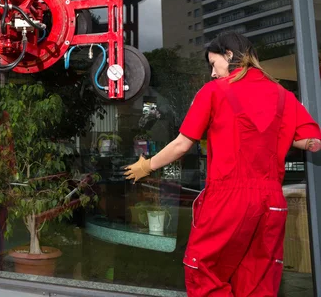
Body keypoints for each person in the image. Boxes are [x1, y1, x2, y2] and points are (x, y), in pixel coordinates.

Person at [124, 32, 321, 296]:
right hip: (272, 201)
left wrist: (147, 165)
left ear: (229, 55)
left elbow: (182, 144)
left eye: (213, 64)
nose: (213, 73)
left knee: (204, 272)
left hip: (230, 199)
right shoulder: (282, 95)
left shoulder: (215, 92)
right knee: (257, 281)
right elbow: (311, 141)